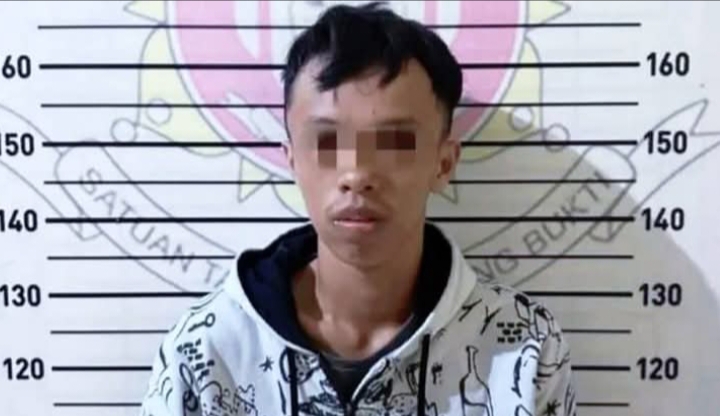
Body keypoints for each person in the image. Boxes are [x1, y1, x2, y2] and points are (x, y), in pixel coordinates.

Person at [139, 2, 577, 415]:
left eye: (395, 142)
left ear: (443, 164)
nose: (357, 173)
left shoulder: (524, 349)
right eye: (327, 140)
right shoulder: (204, 352)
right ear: (292, 161)